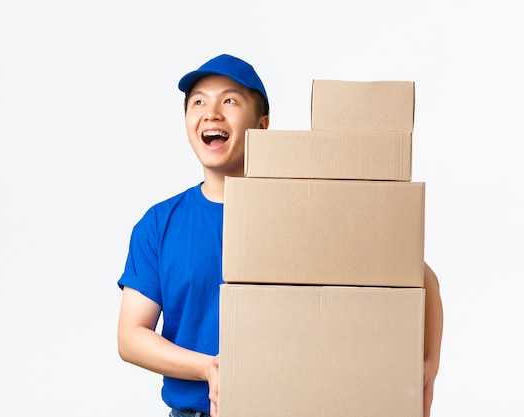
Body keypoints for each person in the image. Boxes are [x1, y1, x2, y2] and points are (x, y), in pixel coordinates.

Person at [117, 53, 443, 417]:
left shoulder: (298, 209)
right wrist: (208, 367)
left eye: (229, 100)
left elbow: (415, 274)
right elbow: (131, 336)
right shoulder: (160, 223)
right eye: (198, 102)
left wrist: (428, 365)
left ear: (262, 124)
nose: (211, 112)